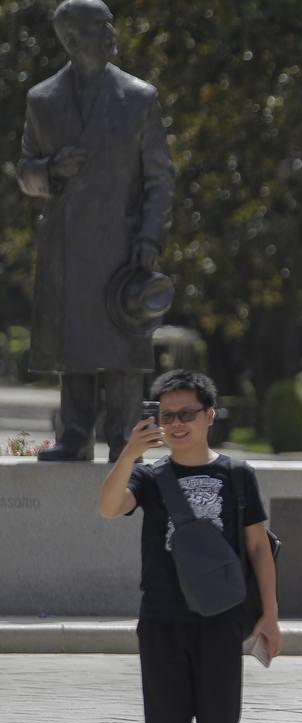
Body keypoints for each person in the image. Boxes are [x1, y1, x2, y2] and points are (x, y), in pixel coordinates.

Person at [98, 370, 280, 723]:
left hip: (223, 619)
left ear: (209, 416)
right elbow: (110, 508)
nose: (176, 423)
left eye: (186, 414)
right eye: (167, 415)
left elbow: (258, 548)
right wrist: (129, 454)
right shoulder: (150, 476)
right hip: (161, 617)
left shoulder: (238, 475)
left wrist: (270, 616)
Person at [17, 0, 174, 462]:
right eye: (99, 29)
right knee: (74, 346)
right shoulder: (42, 100)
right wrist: (50, 169)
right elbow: (25, 172)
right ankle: (75, 434)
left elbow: (160, 179)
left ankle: (124, 436)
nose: (111, 35)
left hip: (124, 247)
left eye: (111, 27)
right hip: (66, 244)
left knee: (123, 346)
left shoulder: (138, 97)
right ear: (72, 39)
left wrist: (149, 239)